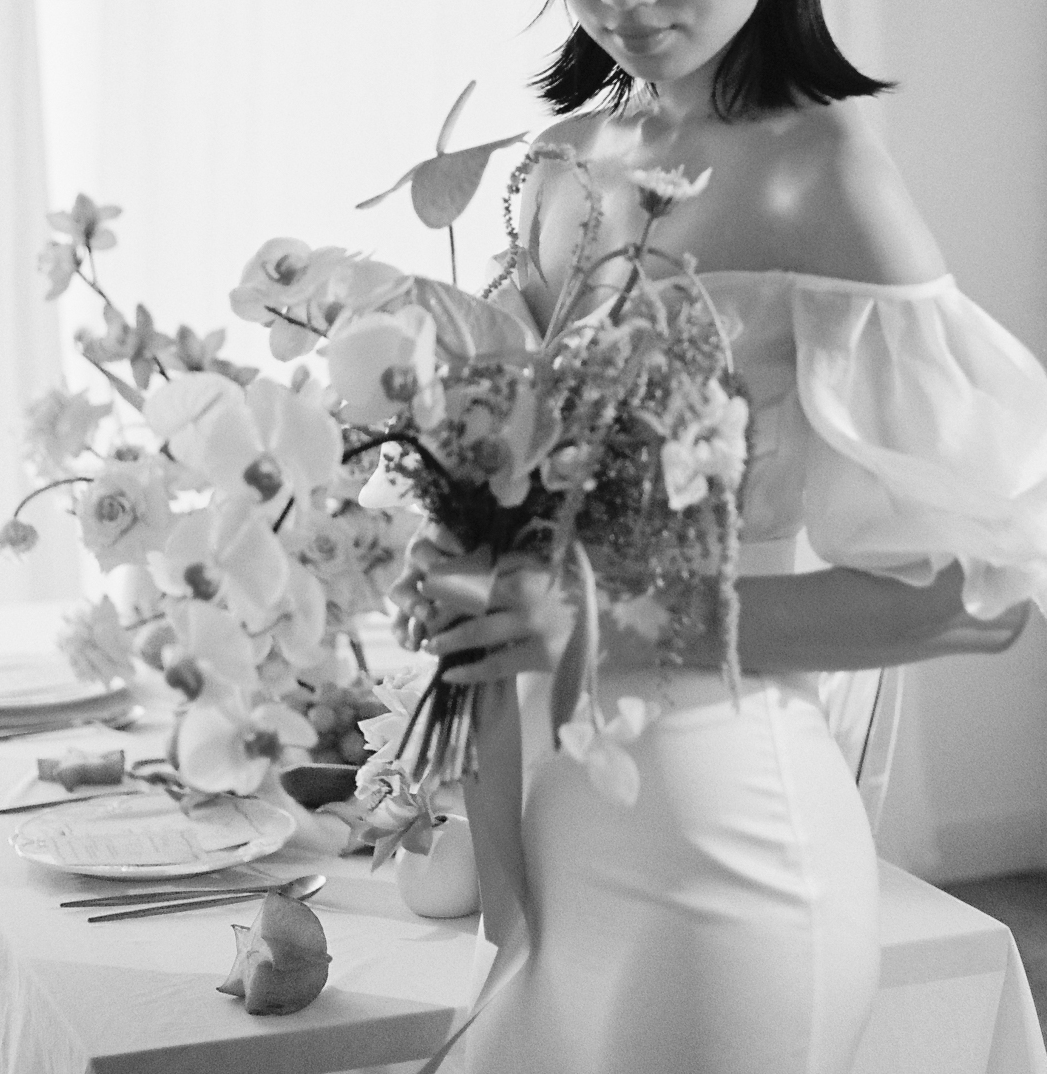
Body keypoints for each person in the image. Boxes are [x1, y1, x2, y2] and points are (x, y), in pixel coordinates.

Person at [388, 1, 1047, 1071]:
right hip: (561, 832)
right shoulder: (554, 168)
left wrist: (607, 624)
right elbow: (487, 483)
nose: (632, 7)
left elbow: (987, 590)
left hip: (732, 846)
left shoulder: (819, 165)